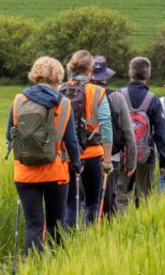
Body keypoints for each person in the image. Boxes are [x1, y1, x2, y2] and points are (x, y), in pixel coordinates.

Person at [5, 56, 82, 255]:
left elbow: (9, 135)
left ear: (35, 75)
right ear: (58, 77)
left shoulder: (18, 100)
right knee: (56, 225)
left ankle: (32, 266)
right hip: (55, 174)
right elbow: (72, 142)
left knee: (33, 226)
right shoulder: (64, 104)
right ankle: (56, 265)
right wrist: (76, 163)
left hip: (25, 174)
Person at [59, 50, 113, 226]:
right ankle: (88, 240)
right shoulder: (98, 92)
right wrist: (107, 160)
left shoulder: (60, 90)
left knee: (69, 205)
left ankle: (66, 244)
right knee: (91, 203)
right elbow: (105, 127)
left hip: (65, 155)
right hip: (92, 156)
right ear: (91, 70)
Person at [119, 57, 165, 207]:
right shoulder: (153, 100)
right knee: (143, 198)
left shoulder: (119, 95)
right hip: (145, 157)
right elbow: (161, 134)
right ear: (148, 76)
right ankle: (140, 228)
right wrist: (164, 162)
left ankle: (120, 228)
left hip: (123, 155)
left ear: (130, 72)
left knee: (121, 196)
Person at [89, 55, 137, 215]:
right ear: (106, 76)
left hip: (84, 155)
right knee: (108, 201)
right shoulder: (116, 97)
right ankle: (107, 232)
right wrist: (131, 160)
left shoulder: (81, 94)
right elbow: (128, 131)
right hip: (111, 158)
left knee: (86, 202)